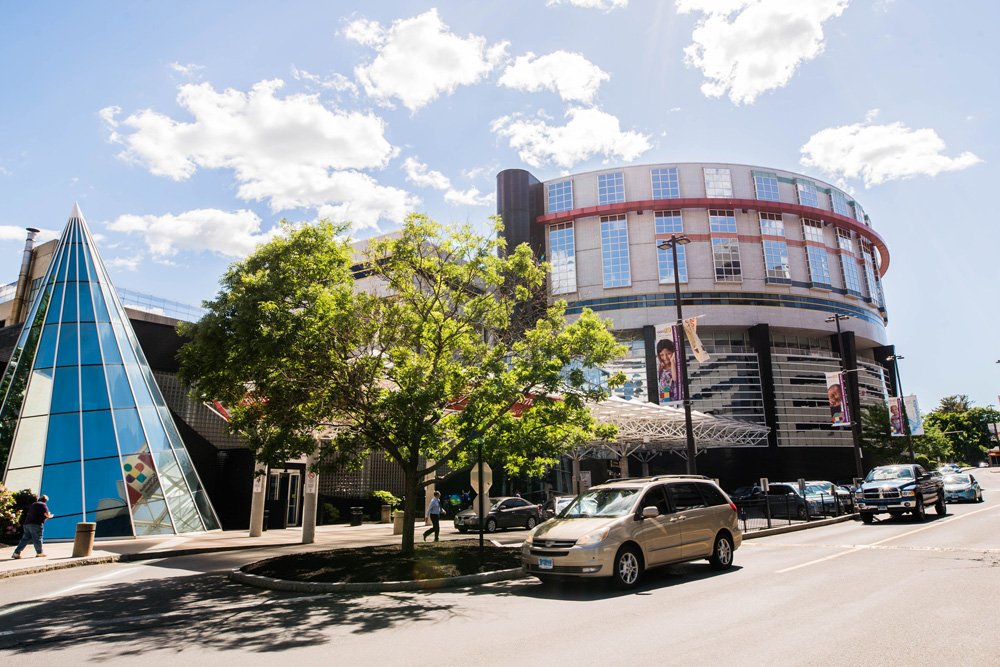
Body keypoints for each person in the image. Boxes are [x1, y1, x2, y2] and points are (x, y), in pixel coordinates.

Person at [11, 494, 53, 559]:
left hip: (27, 523)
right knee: (38, 538)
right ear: (45, 501)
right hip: (36, 524)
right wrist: (49, 516)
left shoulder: (33, 504)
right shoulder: (43, 505)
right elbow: (47, 514)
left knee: (25, 539)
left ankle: (16, 553)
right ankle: (40, 552)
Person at [656, 338, 678, 403]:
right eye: (662, 355)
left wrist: (672, 361)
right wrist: (659, 364)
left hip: (673, 400)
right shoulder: (662, 367)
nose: (665, 357)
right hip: (663, 399)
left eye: (668, 354)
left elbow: (675, 378)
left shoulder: (675, 367)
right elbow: (659, 378)